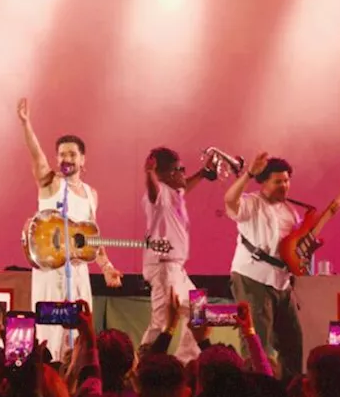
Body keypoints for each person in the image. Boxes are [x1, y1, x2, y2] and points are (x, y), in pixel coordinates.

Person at [17, 98, 123, 361]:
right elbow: (37, 156)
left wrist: (107, 267)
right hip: (50, 271)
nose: (66, 158)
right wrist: (26, 124)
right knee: (50, 336)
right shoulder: (50, 183)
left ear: (82, 158)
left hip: (77, 272)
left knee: (79, 333)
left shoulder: (91, 194)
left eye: (72, 154)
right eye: (62, 154)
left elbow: (92, 239)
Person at [222, 151, 303, 379]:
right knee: (256, 342)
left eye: (287, 181)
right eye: (278, 181)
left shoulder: (290, 212)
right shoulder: (251, 203)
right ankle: (255, 393)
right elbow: (229, 201)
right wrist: (248, 173)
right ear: (263, 183)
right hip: (252, 278)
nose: (284, 186)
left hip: (282, 283)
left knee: (293, 344)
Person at [140, 148, 210, 363]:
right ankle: (145, 363)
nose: (184, 174)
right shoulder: (159, 193)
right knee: (162, 320)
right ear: (169, 174)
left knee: (198, 309)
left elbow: (184, 186)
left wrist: (203, 173)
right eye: (181, 169)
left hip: (175, 267)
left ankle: (186, 360)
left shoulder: (174, 193)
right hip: (163, 266)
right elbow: (153, 192)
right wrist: (149, 173)